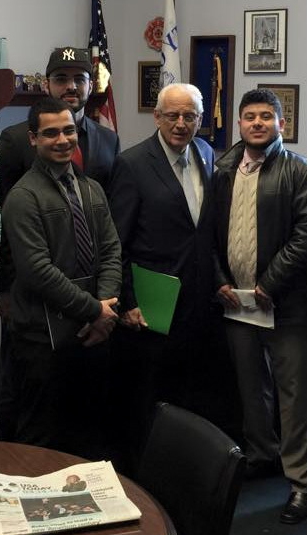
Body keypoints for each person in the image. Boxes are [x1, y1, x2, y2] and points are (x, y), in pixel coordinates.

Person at [214, 88, 307, 524]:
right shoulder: (223, 169)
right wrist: (221, 281)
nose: (257, 123)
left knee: (295, 395)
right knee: (250, 388)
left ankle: (305, 482)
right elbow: (208, 235)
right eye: (249, 117)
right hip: (237, 302)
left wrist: (271, 283)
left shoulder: (301, 171)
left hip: (286, 303)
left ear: (282, 123)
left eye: (266, 116)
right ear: (238, 124)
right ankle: (262, 454)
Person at [0, 47, 120, 441]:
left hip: (91, 323)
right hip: (43, 325)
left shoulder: (92, 186)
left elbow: (111, 249)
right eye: (50, 133)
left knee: (86, 423)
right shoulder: (23, 194)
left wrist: (106, 304)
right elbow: (35, 268)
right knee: (40, 426)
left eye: (68, 131)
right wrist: (93, 309)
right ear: (33, 139)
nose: (63, 139)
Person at [107, 82, 231, 473]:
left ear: (200, 120)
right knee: (149, 395)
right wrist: (127, 302)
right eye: (172, 115)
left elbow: (205, 232)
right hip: (152, 304)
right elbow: (117, 242)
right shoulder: (132, 163)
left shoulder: (207, 154)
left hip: (199, 301)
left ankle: (184, 469)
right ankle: (143, 476)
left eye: (190, 116)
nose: (181, 123)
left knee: (192, 390)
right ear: (156, 117)